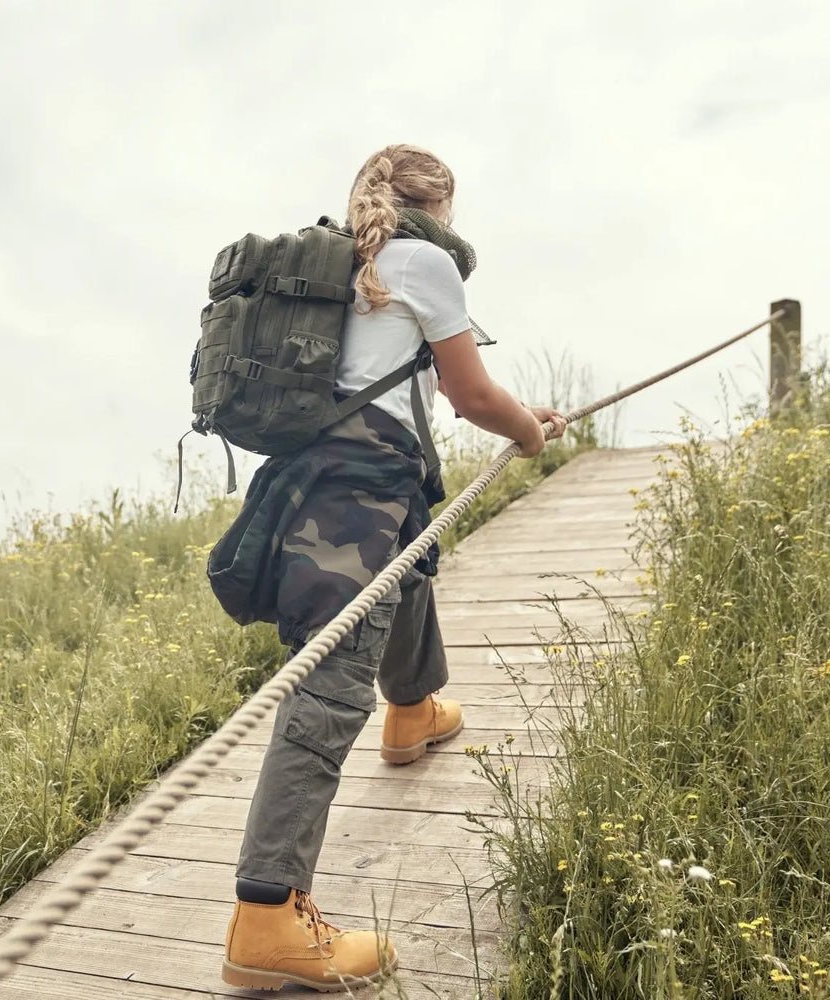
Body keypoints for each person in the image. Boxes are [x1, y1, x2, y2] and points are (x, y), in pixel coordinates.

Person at [217, 144, 568, 992]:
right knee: (332, 683)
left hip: (326, 470)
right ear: (438, 205)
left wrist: (526, 417)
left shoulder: (343, 263)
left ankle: (412, 711)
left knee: (409, 565)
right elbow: (470, 394)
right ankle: (266, 917)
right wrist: (528, 433)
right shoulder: (422, 259)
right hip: (360, 483)